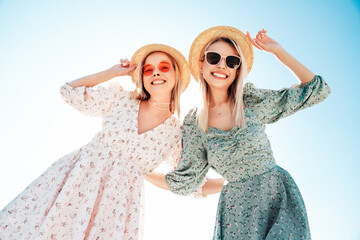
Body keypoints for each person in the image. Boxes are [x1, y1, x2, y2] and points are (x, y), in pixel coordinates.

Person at [0, 44, 221, 240]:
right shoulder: (122, 99)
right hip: (76, 180)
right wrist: (112, 72)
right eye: (147, 69)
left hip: (117, 205)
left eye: (164, 67)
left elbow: (189, 183)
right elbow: (70, 92)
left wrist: (231, 183)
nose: (155, 72)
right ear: (142, 77)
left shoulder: (175, 134)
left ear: (177, 76)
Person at [160, 26, 330, 239]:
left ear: (237, 70)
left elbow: (315, 90)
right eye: (214, 58)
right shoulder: (195, 123)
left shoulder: (251, 102)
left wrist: (279, 52)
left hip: (276, 196)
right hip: (236, 211)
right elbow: (186, 180)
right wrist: (138, 170)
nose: (223, 65)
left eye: (232, 61)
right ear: (201, 63)